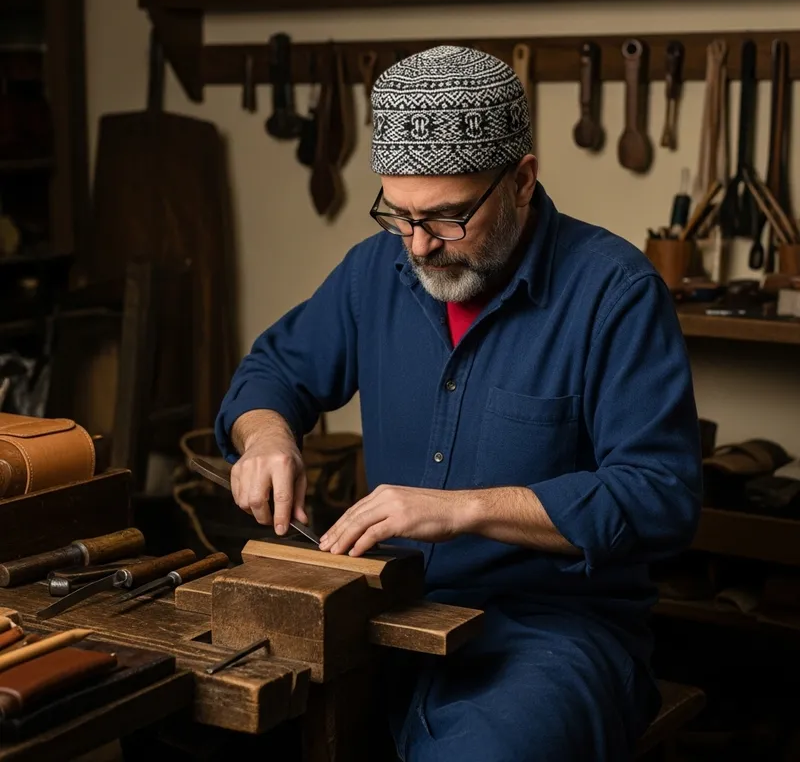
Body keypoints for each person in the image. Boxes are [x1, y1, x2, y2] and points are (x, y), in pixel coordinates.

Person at [214, 45, 703, 762]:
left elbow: (661, 498)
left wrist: (464, 509)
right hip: (380, 606)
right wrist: (265, 438)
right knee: (207, 718)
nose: (418, 246)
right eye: (399, 214)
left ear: (522, 181)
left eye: (447, 217)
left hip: (546, 636)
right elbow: (272, 373)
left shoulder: (615, 293)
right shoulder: (374, 271)